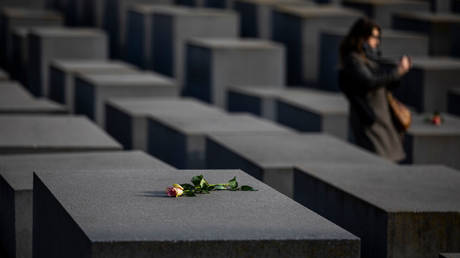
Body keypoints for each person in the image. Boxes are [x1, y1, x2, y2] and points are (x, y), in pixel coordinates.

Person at [338, 18, 411, 162]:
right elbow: (370, 82)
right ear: (362, 37)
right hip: (369, 119)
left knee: (387, 158)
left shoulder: (367, 57)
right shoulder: (353, 60)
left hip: (381, 116)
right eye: (374, 37)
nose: (376, 42)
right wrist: (398, 72)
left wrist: (395, 75)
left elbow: (381, 82)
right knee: (377, 158)